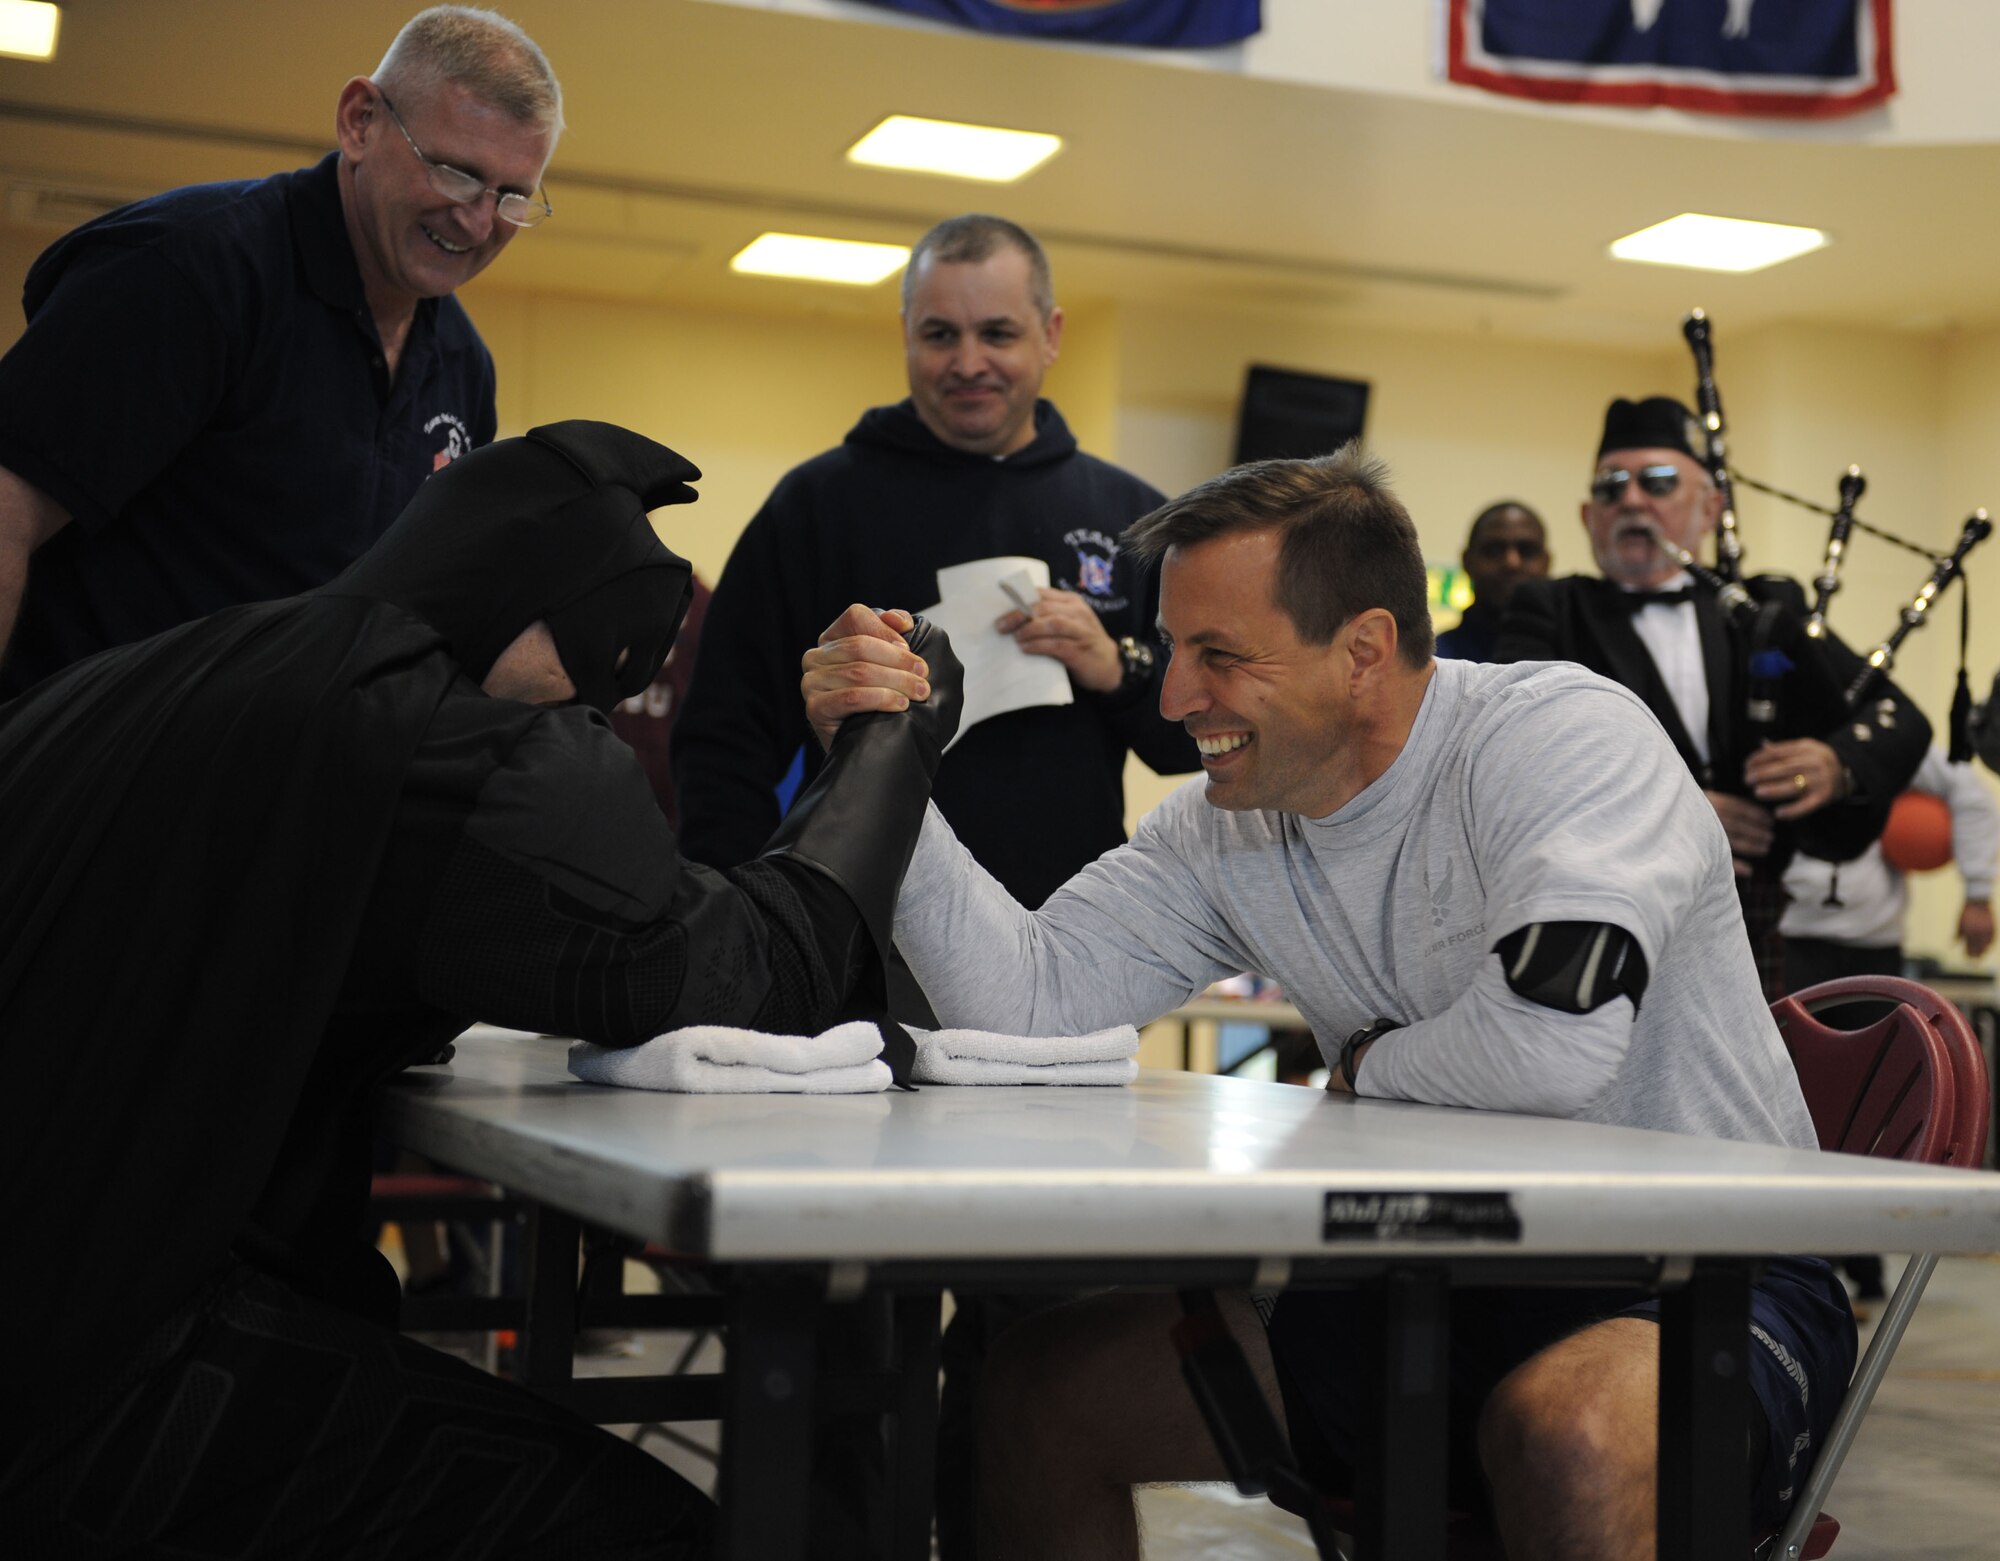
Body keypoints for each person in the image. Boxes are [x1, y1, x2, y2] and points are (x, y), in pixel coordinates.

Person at [803, 446, 1855, 1559]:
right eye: (1168, 650)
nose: (1170, 697)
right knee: (1041, 1391)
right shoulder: (1227, 821)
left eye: (1218, 655)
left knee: (1569, 1436)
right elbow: (1022, 1003)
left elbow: (1550, 1042)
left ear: (1362, 651)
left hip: (1701, 1272)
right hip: (1428, 1276)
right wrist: (885, 772)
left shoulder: (1559, 739)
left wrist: (1368, 1065)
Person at [0, 420, 962, 1555]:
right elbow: (755, 972)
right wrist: (886, 745)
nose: (590, 721)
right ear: (547, 611)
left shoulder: (138, 677)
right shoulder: (451, 744)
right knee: (656, 1533)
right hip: (95, 1378)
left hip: (60, 1307)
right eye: (597, 676)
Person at [0, 5, 560, 697]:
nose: (478, 221)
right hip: (93, 773)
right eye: (454, 172)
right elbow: (9, 506)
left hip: (280, 787)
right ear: (360, 122)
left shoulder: (463, 369)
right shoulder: (191, 272)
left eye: (511, 196)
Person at [673, 212, 1197, 918]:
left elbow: (1201, 737)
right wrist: (749, 922)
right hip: (858, 935)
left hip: (1069, 932)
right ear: (906, 336)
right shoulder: (818, 506)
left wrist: (1118, 667)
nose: (969, 361)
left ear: (1051, 335)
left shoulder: (1131, 518)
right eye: (941, 334)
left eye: (999, 333)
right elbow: (721, 741)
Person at [1497, 395, 1929, 995]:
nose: (1631, 500)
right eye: (1610, 487)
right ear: (1586, 516)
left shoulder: (1754, 614)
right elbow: (1519, 753)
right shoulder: (1550, 609)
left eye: (1659, 482)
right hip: (1600, 913)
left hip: (1746, 925)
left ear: (1710, 508)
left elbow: (1901, 717)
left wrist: (1838, 764)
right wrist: (1675, 809)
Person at [1782, 744, 2000, 992]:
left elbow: (1972, 796)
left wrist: (1978, 894)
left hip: (1875, 941)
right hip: (1787, 936)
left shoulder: (1887, 739)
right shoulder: (1777, 733)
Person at [1435, 500, 1548, 661]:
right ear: (1467, 561)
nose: (1512, 563)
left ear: (1546, 562)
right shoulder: (1433, 664)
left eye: (1527, 551)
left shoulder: (1577, 658)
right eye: (1494, 550)